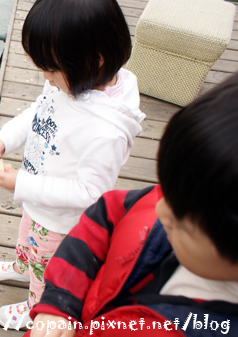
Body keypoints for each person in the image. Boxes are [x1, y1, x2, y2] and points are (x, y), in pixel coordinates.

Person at [25, 71, 238, 337]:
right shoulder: (194, 195)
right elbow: (105, 215)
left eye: (182, 224)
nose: (161, 210)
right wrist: (60, 300)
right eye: (166, 190)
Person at [0, 0, 143, 325]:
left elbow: (89, 193)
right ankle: (20, 267)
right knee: (26, 240)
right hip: (38, 203)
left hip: (59, 222)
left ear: (94, 59)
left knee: (47, 270)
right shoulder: (71, 79)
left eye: (51, 69)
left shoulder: (106, 130)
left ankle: (34, 307)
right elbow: (37, 112)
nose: (46, 77)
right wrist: (2, 139)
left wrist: (21, 183)